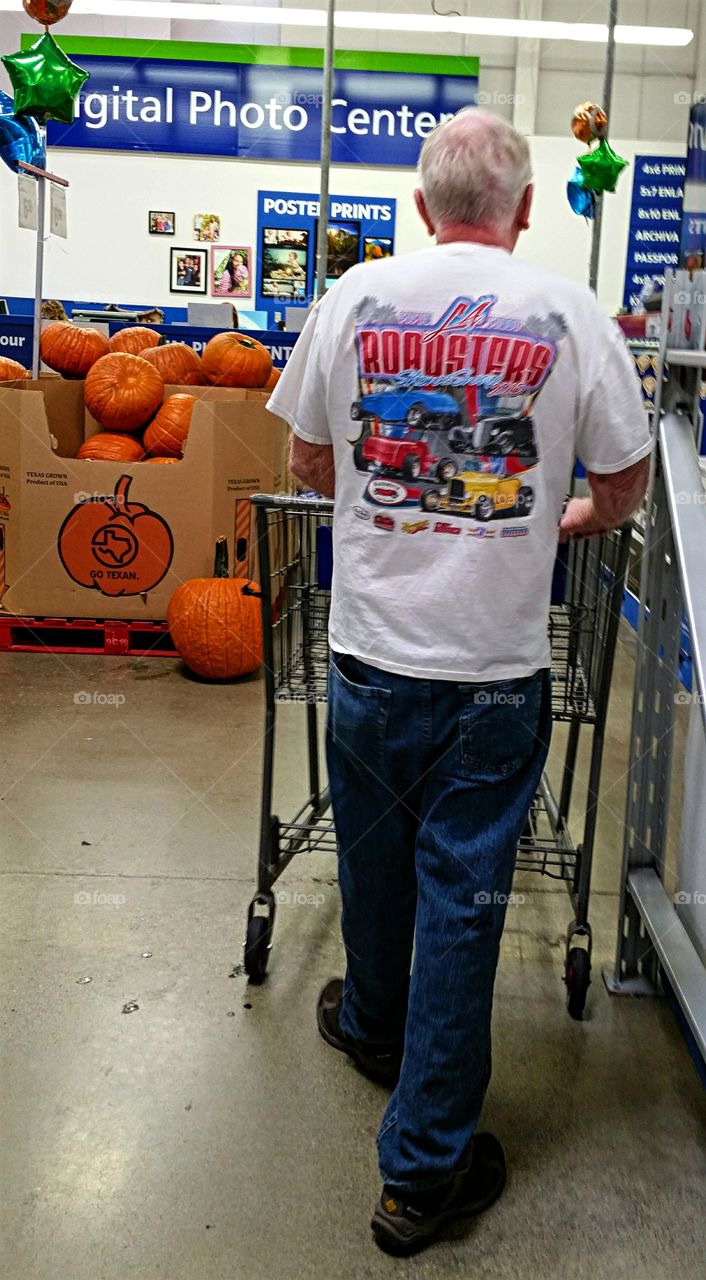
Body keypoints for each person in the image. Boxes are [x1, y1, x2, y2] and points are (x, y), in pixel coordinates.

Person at [267, 109, 651, 1257]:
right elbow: (625, 484)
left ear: (421, 205)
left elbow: (306, 457)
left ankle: (379, 1029)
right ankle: (423, 1166)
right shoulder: (572, 312)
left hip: (370, 653)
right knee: (462, 902)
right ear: (525, 210)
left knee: (375, 858)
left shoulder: (356, 297)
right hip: (491, 672)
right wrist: (565, 515)